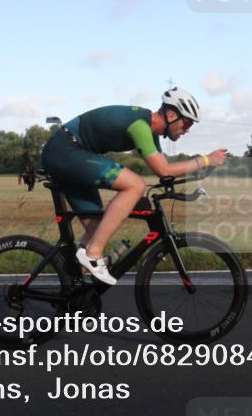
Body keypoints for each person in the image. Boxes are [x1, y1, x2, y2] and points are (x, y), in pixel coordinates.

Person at [40, 88, 227, 284]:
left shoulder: (149, 131)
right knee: (135, 184)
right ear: (172, 115)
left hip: (71, 154)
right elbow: (163, 170)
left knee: (97, 228)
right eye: (187, 122)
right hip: (65, 151)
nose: (187, 129)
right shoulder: (140, 125)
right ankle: (93, 255)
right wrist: (205, 160)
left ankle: (74, 293)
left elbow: (166, 172)